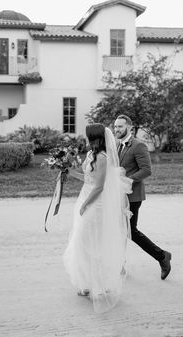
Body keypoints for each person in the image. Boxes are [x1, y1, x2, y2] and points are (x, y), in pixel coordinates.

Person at [63, 123, 133, 313]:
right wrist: (68, 171)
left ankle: (99, 284)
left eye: (87, 135)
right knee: (82, 242)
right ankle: (86, 283)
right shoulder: (90, 155)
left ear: (95, 137)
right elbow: (87, 179)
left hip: (95, 203)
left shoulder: (102, 157)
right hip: (85, 198)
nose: (85, 138)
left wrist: (86, 204)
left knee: (91, 242)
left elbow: (99, 186)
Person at [114, 115, 172, 280]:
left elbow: (146, 170)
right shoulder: (116, 145)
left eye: (120, 127)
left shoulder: (139, 146)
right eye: (115, 126)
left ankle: (162, 256)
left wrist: (127, 180)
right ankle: (119, 265)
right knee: (119, 231)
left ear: (129, 128)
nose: (116, 129)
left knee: (130, 231)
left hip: (132, 196)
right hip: (117, 196)